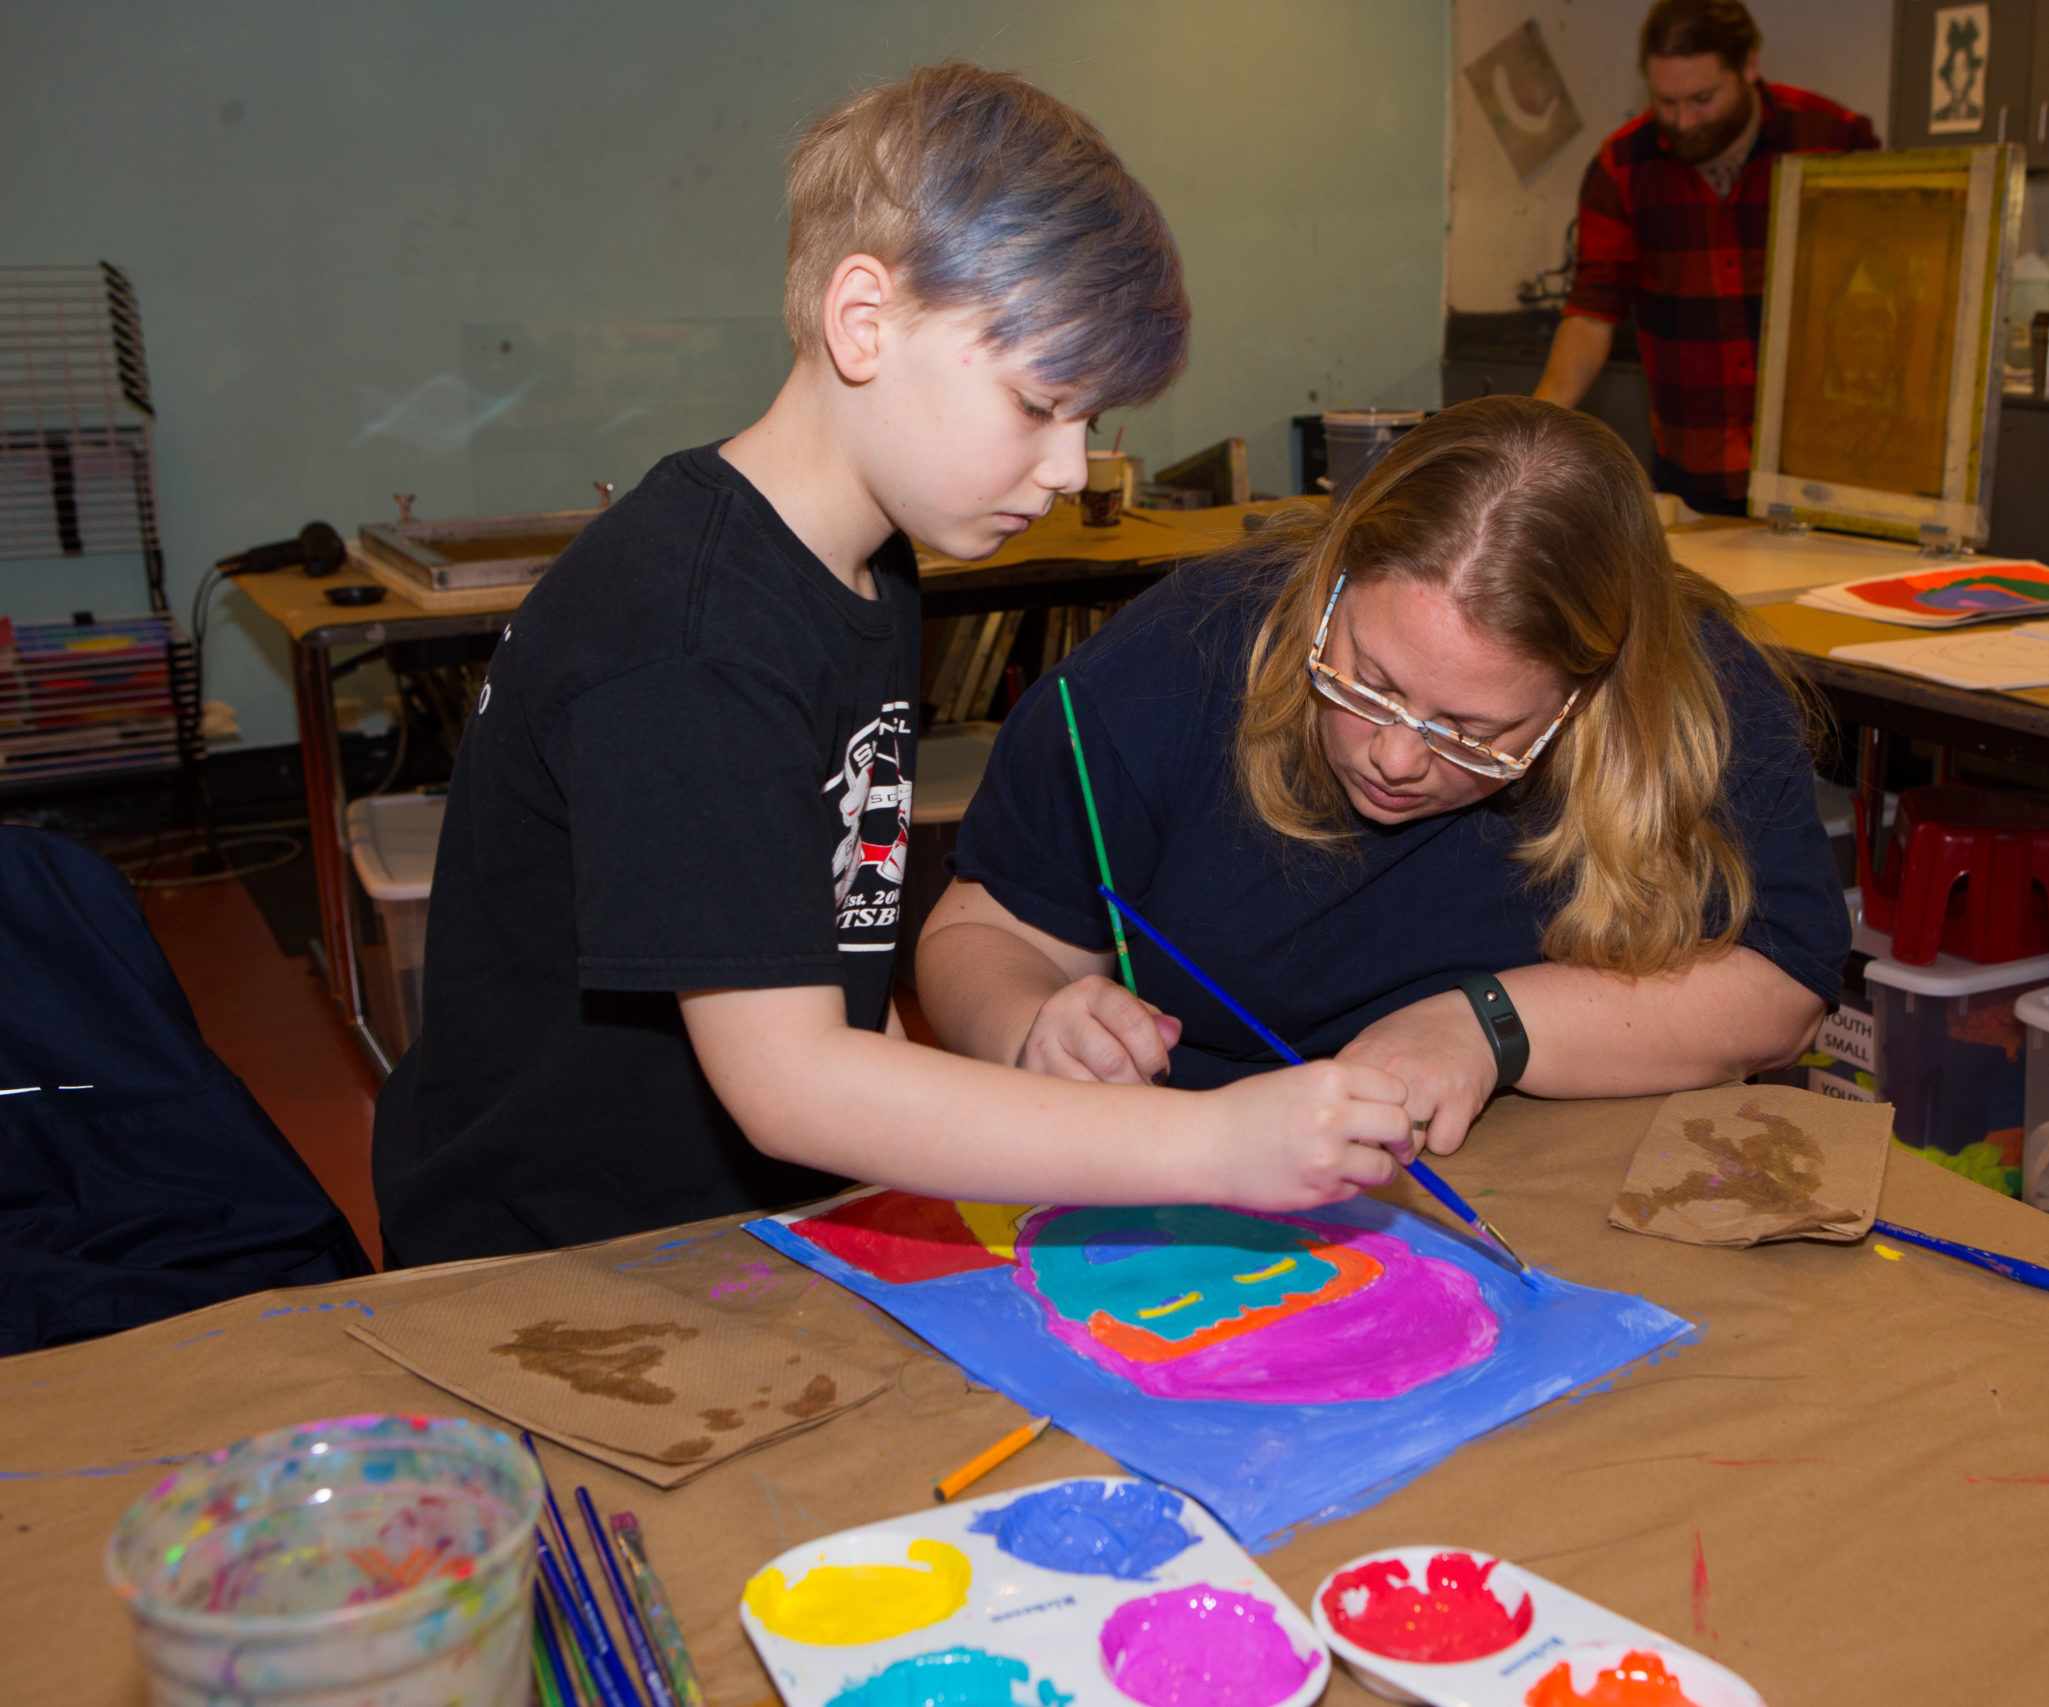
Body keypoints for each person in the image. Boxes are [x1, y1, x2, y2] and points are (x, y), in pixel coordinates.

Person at [370, 65, 1415, 1267]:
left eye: (1090, 423)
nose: (1073, 470)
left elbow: (817, 975)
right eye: (1039, 405)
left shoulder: (866, 568)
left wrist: (1028, 1035)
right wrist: (1204, 1145)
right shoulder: (691, 636)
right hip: (554, 1262)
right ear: (864, 323)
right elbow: (791, 1083)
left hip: (741, 1223)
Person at [917, 396, 1848, 1155]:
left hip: (1554, 1179)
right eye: (1367, 681)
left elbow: (1784, 987)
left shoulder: (1697, 692)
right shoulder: (1171, 666)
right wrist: (1029, 1024)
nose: (1396, 759)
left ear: (1588, 695)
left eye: (1476, 731)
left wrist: (1492, 1026)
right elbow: (977, 933)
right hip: (1191, 1179)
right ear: (1333, 583)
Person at [1532, 0, 1879, 517]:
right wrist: (1533, 423)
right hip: (1694, 471)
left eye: (1702, 99)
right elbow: (1591, 314)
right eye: (1665, 102)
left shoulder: (1832, 142)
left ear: (1749, 68)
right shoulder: (1623, 166)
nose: (1683, 121)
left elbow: (1888, 293)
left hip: (1829, 461)